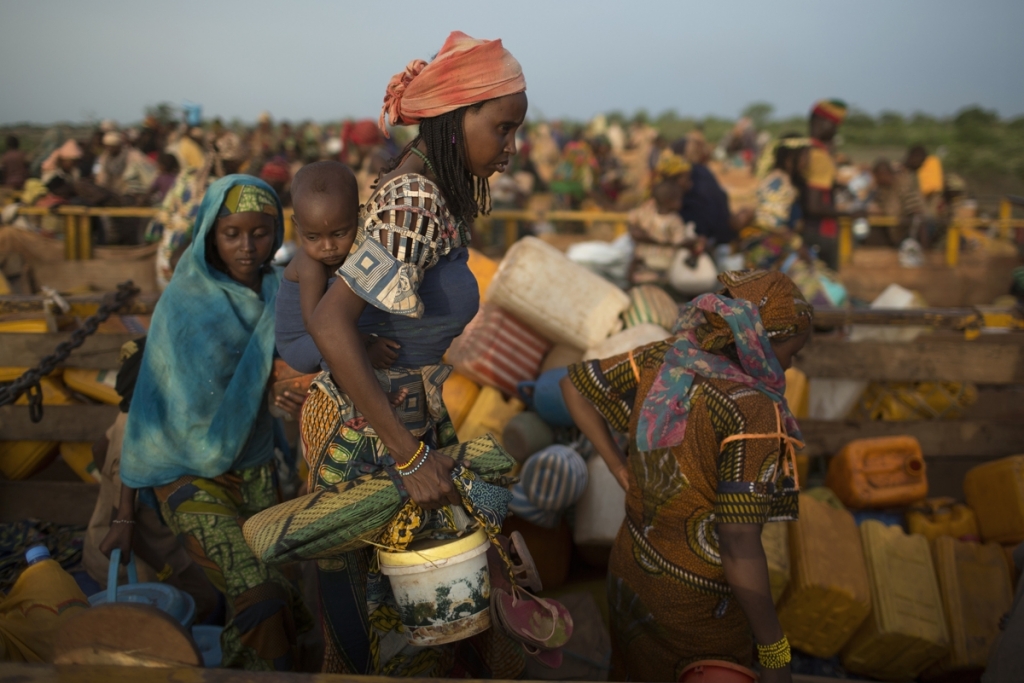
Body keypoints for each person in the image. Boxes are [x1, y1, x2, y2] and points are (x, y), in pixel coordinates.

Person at [302, 31, 529, 676]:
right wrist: (409, 456)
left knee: (420, 613)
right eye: (503, 129)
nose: (512, 148)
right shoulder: (415, 201)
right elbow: (330, 325)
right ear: (458, 122)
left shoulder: (429, 190)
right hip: (374, 439)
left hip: (407, 422)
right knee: (380, 620)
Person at [100, 176, 311, 671]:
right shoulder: (183, 303)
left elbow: (304, 357)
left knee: (280, 593)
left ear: (276, 232)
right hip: (186, 477)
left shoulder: (283, 294)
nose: (246, 246)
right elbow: (145, 413)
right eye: (231, 233)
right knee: (258, 594)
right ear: (209, 235)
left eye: (259, 233)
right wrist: (125, 516)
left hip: (256, 467)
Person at [561, 270, 812, 683]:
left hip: (631, 572)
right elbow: (738, 543)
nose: (790, 363)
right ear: (761, 343)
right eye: (792, 351)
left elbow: (574, 386)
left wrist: (618, 466)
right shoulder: (752, 409)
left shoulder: (667, 357)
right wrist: (774, 651)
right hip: (697, 608)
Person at [276, 161, 400, 373]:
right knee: (342, 352)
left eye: (339, 234)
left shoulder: (359, 245)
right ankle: (371, 395)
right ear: (297, 226)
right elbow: (317, 325)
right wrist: (366, 344)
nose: (328, 247)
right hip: (302, 343)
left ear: (357, 216)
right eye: (313, 237)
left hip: (325, 332)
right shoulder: (310, 264)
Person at [628, 150, 704, 286]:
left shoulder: (689, 202)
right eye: (685, 178)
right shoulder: (668, 216)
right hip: (662, 262)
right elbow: (678, 241)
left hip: (643, 258)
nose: (690, 183)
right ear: (672, 179)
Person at [801, 99, 850, 269]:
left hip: (809, 231)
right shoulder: (819, 157)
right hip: (821, 232)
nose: (835, 130)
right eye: (834, 125)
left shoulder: (807, 150)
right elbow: (814, 205)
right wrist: (848, 212)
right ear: (822, 123)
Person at [868, 158, 924, 247]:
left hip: (905, 234)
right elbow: (880, 208)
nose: (875, 180)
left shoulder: (903, 186)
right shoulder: (882, 190)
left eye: (876, 176)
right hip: (891, 232)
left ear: (883, 174)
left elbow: (915, 212)